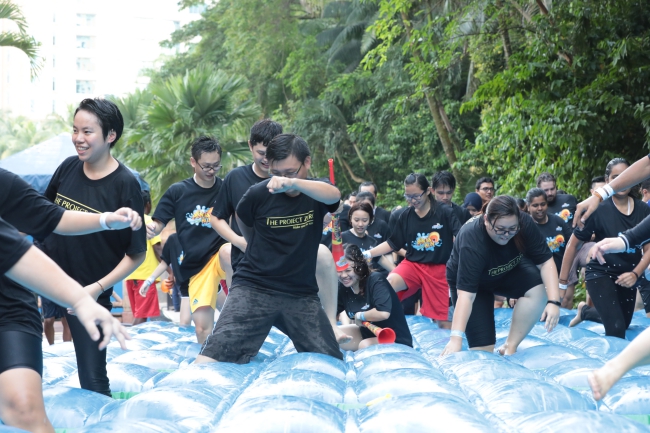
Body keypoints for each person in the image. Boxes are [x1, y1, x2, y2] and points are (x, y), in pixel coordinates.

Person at [0, 165, 141, 432]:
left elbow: (51, 219)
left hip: (7, 309)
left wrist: (105, 220)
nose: (80, 138)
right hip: (46, 285)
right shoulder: (68, 169)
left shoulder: (3, 182)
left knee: (24, 409)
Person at [196, 134, 344, 364]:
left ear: (307, 162)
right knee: (211, 359)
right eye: (278, 174)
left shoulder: (316, 191)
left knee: (331, 360)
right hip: (254, 287)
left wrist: (294, 183)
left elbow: (334, 196)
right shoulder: (259, 193)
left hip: (300, 294)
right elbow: (242, 217)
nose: (283, 180)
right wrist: (251, 243)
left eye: (291, 172)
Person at [41, 98, 147, 397]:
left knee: (92, 377)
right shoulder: (67, 168)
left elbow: (136, 253)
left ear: (110, 135)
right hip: (48, 276)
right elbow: (44, 214)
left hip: (87, 292)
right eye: (75, 130)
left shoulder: (126, 184)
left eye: (87, 131)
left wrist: (96, 288)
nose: (78, 139)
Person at [442, 195, 561, 356]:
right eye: (500, 229)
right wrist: (456, 339)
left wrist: (554, 301)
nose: (506, 234)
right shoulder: (472, 239)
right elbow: (466, 296)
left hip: (508, 268)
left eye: (512, 229)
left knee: (538, 291)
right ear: (486, 220)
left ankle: (510, 346)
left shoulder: (524, 223)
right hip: (474, 284)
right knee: (483, 351)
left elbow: (546, 262)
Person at [146, 136, 228, 344]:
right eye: (206, 166)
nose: (211, 171)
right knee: (201, 329)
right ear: (193, 162)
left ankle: (242, 300)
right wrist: (150, 229)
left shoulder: (226, 188)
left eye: (216, 166)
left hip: (221, 257)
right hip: (197, 267)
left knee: (229, 253)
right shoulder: (178, 191)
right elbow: (158, 223)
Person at [561, 158, 650, 337]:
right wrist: (561, 284)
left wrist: (635, 274)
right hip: (601, 272)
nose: (622, 181)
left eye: (625, 175)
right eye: (616, 177)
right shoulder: (598, 209)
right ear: (608, 181)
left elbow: (648, 249)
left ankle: (585, 311)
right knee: (616, 329)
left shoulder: (643, 210)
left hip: (627, 274)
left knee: (623, 324)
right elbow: (573, 245)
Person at [364, 173, 461, 326]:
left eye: (416, 196)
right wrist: (369, 253)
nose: (412, 201)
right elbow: (392, 243)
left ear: (428, 191)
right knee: (389, 283)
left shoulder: (444, 212)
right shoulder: (405, 216)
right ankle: (378, 322)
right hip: (413, 265)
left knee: (442, 322)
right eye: (408, 197)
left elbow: (461, 236)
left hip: (438, 269)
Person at [337, 244, 413, 350]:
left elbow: (383, 313)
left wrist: (360, 316)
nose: (343, 275)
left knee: (364, 345)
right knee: (331, 336)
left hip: (394, 337)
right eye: (339, 270)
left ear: (360, 266)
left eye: (348, 270)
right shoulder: (343, 287)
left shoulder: (376, 280)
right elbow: (330, 314)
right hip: (366, 333)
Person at [124, 191, 162, 325]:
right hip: (145, 276)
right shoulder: (149, 221)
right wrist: (170, 270)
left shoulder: (128, 223)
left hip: (130, 275)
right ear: (148, 204)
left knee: (139, 314)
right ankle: (132, 345)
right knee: (141, 318)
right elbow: (158, 248)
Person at [526, 188, 573, 278]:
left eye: (543, 204)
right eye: (535, 205)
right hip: (538, 279)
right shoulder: (526, 226)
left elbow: (572, 243)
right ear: (528, 207)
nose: (540, 208)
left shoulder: (558, 221)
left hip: (563, 275)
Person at [341, 202, 395, 277]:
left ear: (370, 220)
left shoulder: (372, 242)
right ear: (350, 219)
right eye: (356, 220)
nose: (360, 224)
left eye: (364, 220)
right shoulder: (341, 238)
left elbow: (389, 266)